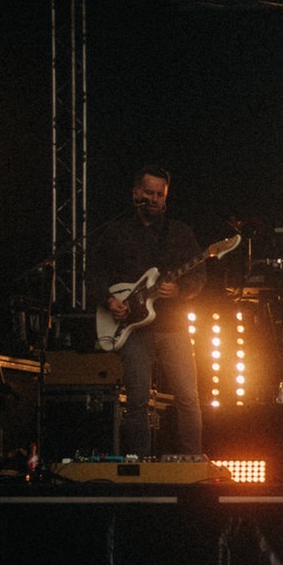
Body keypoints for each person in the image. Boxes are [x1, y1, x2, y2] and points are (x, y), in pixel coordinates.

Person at [85, 164, 207, 456]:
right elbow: (93, 273)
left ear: (166, 196)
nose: (154, 199)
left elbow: (199, 277)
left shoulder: (179, 232)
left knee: (188, 397)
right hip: (133, 330)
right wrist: (109, 300)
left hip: (173, 325)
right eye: (149, 193)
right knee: (137, 399)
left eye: (160, 195)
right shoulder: (115, 231)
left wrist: (179, 291)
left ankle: (192, 460)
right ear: (135, 193)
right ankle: (138, 464)